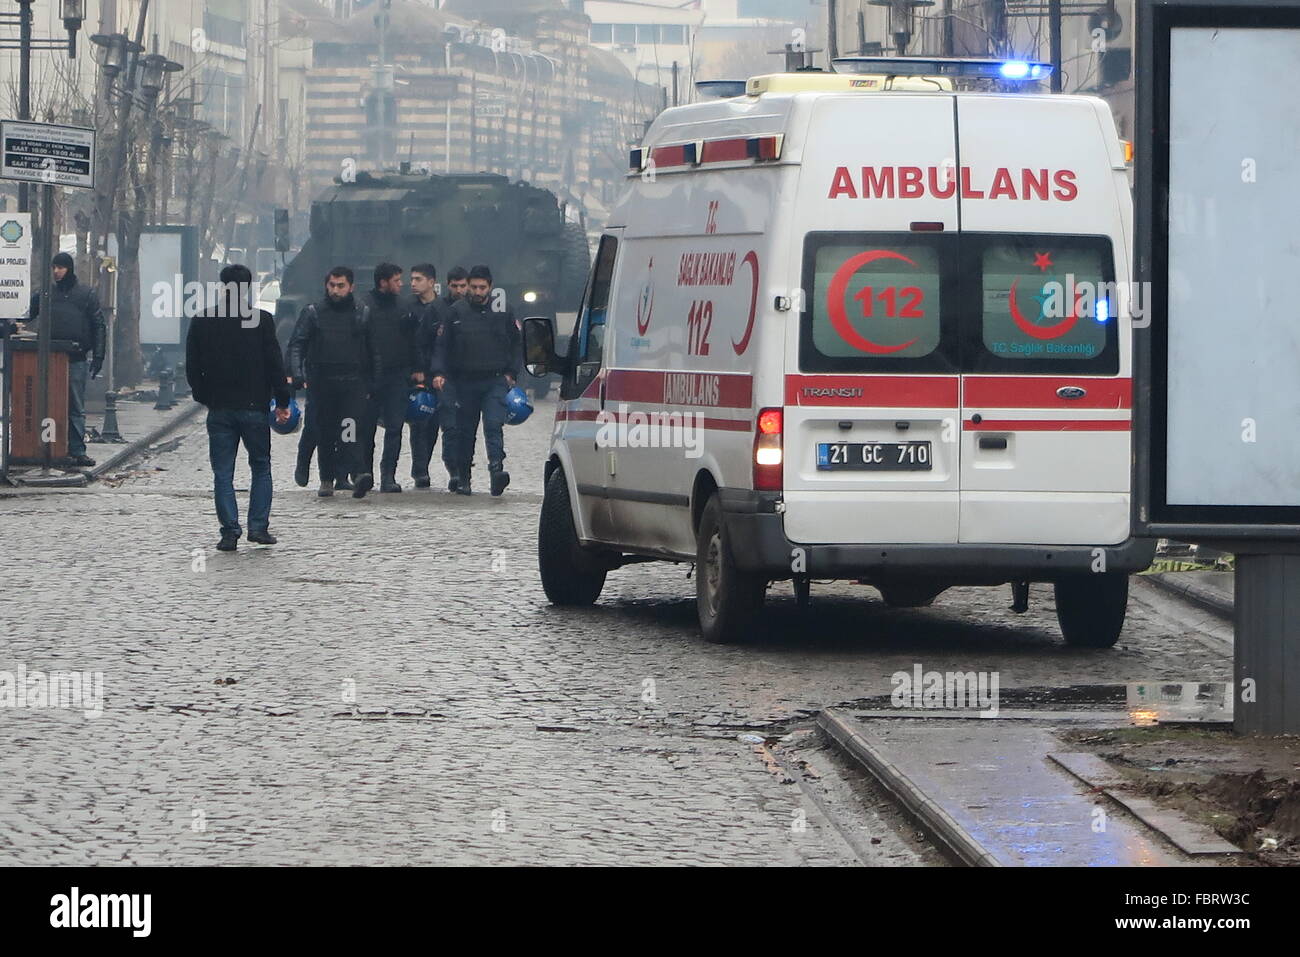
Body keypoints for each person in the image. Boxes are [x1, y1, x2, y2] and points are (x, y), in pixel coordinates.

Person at [185, 264, 291, 551]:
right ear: (248, 289)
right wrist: (282, 400)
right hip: (254, 406)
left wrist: (204, 396)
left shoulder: (203, 321)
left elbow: (193, 368)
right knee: (260, 466)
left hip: (219, 408)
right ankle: (258, 527)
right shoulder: (262, 321)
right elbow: (274, 365)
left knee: (222, 472)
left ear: (222, 287)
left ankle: (229, 531)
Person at [286, 266, 378, 499]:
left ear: (351, 287)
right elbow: (297, 343)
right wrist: (297, 374)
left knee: (351, 429)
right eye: (332, 286)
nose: (336, 291)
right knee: (324, 431)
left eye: (341, 286)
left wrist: (373, 382)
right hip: (322, 382)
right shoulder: (313, 313)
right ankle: (326, 478)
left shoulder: (362, 313)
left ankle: (355, 473)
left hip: (352, 382)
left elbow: (373, 350)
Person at [431, 264, 521, 496]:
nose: (478, 292)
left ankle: (496, 471)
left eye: (482, 287)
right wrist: (439, 373)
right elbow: (441, 346)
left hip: (494, 380)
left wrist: (512, 372)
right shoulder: (455, 312)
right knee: (465, 431)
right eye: (474, 287)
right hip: (463, 381)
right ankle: (463, 477)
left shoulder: (504, 311)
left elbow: (517, 343)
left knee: (493, 425)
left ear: (490, 287)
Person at [26, 252, 106, 468]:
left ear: (69, 269)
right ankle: (46, 448)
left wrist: (99, 355)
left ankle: (77, 450)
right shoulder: (45, 294)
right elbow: (26, 314)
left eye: (60, 267)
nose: (56, 271)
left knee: (76, 406)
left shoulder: (86, 294)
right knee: (47, 403)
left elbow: (99, 325)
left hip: (76, 357)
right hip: (48, 357)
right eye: (54, 267)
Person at [361, 263, 418, 492]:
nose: (401, 284)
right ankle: (365, 473)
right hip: (371, 376)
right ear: (383, 282)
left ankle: (388, 476)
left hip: (397, 375)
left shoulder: (404, 307)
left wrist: (416, 368)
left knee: (395, 428)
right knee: (367, 429)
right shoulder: (364, 306)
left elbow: (413, 340)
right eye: (396, 280)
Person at [408, 263, 448, 488]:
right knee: (418, 420)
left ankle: (424, 463)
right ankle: (419, 468)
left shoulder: (443, 308)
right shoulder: (408, 307)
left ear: (432, 282)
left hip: (437, 373)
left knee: (433, 423)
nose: (413, 283)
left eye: (418, 279)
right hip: (414, 373)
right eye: (412, 279)